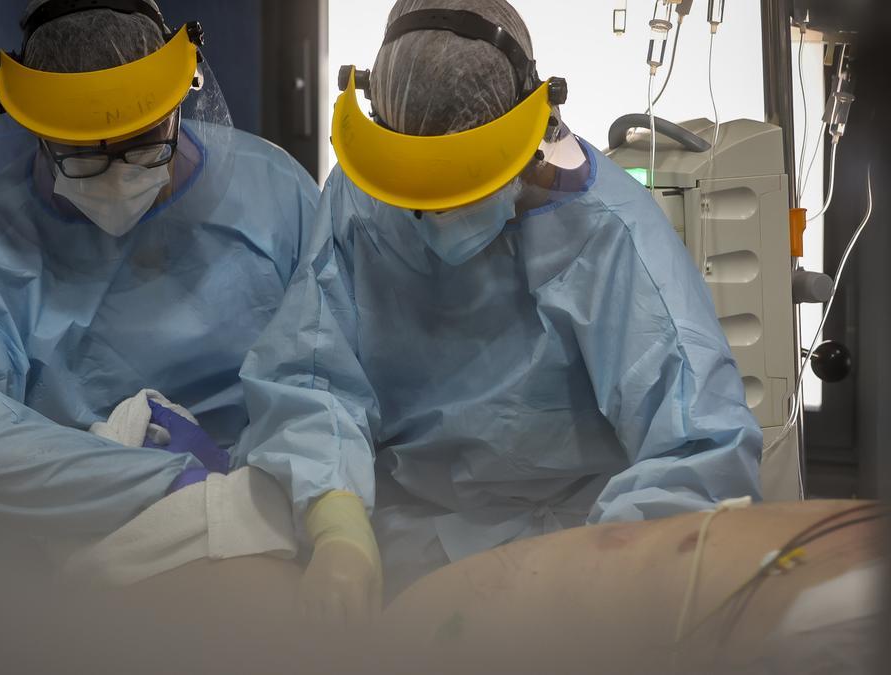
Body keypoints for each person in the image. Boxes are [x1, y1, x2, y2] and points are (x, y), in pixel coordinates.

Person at [236, 0, 763, 622]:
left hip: (571, 556)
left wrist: (579, 578)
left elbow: (699, 454)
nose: (430, 223)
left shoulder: (611, 239)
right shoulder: (369, 190)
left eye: (461, 188)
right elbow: (312, 372)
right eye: (415, 198)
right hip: (397, 541)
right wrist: (339, 528)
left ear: (528, 141)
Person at [0, 0, 318, 571]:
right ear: (40, 133)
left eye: (143, 144)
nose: (119, 174)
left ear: (179, 98)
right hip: (70, 555)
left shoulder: (274, 195)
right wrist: (175, 483)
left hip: (269, 517)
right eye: (81, 156)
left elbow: (330, 371)